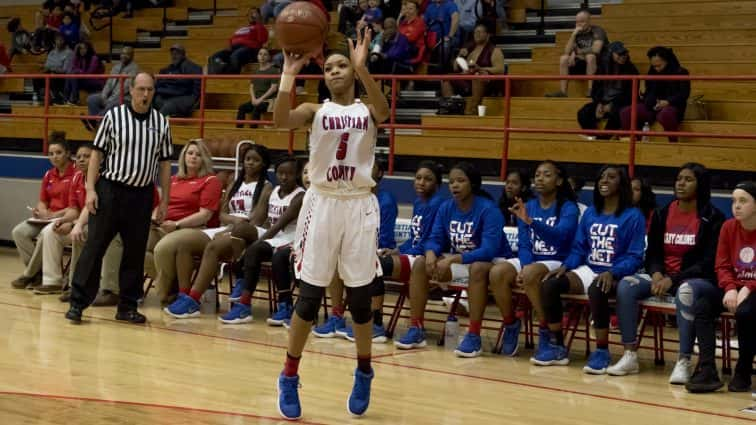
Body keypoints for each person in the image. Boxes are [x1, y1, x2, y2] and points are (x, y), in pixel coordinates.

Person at [272, 27, 390, 419]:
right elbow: (279, 121)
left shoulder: (366, 108)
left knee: (359, 299)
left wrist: (364, 68)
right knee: (309, 295)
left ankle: (364, 369)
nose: (335, 72)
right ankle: (289, 374)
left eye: (342, 66)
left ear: (352, 72)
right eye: (330, 68)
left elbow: (385, 112)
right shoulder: (314, 110)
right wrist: (288, 75)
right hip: (322, 204)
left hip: (358, 204)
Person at [65, 72, 173, 325]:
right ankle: (78, 303)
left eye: (150, 90)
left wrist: (165, 199)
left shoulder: (161, 122)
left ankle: (127, 306)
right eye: (141, 89)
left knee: (134, 253)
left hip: (142, 194)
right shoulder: (114, 116)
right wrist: (91, 189)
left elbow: (165, 163)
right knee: (95, 247)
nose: (145, 94)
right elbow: (96, 155)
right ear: (132, 90)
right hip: (111, 190)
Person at [607, 163, 724, 380]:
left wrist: (673, 279)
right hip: (663, 277)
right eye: (679, 178)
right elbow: (652, 253)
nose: (681, 183)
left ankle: (684, 360)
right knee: (627, 285)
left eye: (688, 179)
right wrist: (657, 274)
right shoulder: (663, 213)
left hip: (696, 279)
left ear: (701, 185)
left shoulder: (713, 217)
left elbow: (708, 262)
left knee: (686, 291)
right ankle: (630, 354)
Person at [534, 165, 645, 374]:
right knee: (550, 284)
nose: (604, 181)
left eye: (611, 177)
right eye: (601, 177)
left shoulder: (633, 216)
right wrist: (566, 266)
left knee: (597, 288)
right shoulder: (591, 213)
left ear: (621, 184)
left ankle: (602, 350)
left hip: (618, 273)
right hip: (589, 269)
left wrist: (613, 272)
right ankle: (558, 345)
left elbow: (635, 256)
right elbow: (579, 247)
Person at [394, 162, 511, 357]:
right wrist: (430, 252)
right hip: (464, 262)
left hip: (495, 262)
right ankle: (416, 329)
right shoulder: (447, 207)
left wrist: (453, 259)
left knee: (478, 268)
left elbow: (489, 250)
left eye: (461, 181)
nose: (454, 185)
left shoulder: (489, 209)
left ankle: (474, 335)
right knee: (422, 263)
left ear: (472, 184)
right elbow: (435, 237)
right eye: (452, 181)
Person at [161, 144, 271, 315]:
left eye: (256, 160)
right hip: (229, 226)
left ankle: (194, 300)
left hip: (251, 233)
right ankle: (183, 295)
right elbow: (222, 215)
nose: (250, 163)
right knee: (183, 244)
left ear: (263, 164)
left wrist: (234, 224)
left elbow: (256, 219)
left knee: (213, 247)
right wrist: (234, 220)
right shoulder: (235, 182)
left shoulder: (266, 186)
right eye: (248, 159)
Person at [488, 160, 579, 356]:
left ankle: (546, 329)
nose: (540, 178)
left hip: (558, 258)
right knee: (497, 273)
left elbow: (560, 237)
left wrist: (531, 222)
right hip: (532, 259)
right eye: (537, 174)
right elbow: (524, 243)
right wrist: (525, 265)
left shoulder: (568, 208)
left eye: (547, 174)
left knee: (530, 274)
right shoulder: (528, 205)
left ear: (559, 180)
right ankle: (511, 323)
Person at [312, 159, 398, 341]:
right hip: (355, 247)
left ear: (380, 173)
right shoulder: (352, 198)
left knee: (368, 262)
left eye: (370, 167)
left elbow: (384, 236)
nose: (364, 170)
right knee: (335, 260)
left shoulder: (386, 200)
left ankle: (375, 322)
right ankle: (337, 316)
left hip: (378, 248)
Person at [220, 157, 306, 323]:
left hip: (291, 238)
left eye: (289, 174)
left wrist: (257, 242)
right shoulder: (274, 192)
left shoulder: (300, 196)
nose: (284, 177)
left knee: (257, 251)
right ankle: (243, 297)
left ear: (296, 175)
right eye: (281, 173)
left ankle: (283, 305)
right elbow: (267, 221)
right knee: (242, 233)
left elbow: (279, 225)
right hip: (274, 236)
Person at [36, 144, 124, 304]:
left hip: (109, 223)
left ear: (99, 160)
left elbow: (100, 211)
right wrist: (63, 220)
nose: (82, 159)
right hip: (85, 222)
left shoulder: (106, 178)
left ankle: (107, 289)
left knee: (81, 233)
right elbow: (75, 209)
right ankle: (58, 282)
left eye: (87, 156)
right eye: (80, 156)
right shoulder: (77, 178)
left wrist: (75, 224)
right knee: (51, 231)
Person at [145, 140, 223, 301]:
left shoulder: (211, 181)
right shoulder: (173, 179)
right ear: (183, 156)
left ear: (205, 159)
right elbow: (160, 205)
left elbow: (205, 215)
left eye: (198, 154)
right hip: (164, 226)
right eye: (190, 153)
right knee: (135, 244)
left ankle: (165, 292)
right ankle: (170, 286)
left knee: (162, 248)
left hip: (193, 229)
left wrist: (177, 224)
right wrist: (154, 218)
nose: (193, 157)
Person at [11, 131, 76, 289]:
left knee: (45, 235)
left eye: (59, 153)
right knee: (18, 232)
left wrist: (53, 215)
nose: (54, 157)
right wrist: (41, 211)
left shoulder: (77, 174)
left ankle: (29, 274)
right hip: (47, 218)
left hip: (64, 218)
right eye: (51, 154)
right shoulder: (49, 174)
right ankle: (38, 273)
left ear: (68, 153)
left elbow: (76, 207)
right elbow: (42, 200)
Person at [713, 181, 755, 393]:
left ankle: (743, 370)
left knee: (746, 312)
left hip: (753, 289)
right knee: (701, 302)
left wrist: (748, 288)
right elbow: (721, 264)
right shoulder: (728, 227)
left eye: (743, 201)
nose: (736, 206)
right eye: (734, 201)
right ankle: (706, 367)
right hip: (734, 286)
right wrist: (729, 287)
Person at [265, 161, 312, 327]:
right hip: (299, 244)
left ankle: (306, 309)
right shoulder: (305, 197)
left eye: (312, 172)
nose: (308, 176)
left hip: (318, 246)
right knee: (281, 256)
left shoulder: (311, 198)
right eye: (305, 172)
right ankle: (286, 303)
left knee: (298, 258)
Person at [621, 46, 690, 142]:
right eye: (654, 66)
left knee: (666, 114)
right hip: (653, 106)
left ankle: (673, 142)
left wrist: (668, 102)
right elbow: (649, 91)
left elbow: (684, 94)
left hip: (673, 106)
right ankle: (634, 142)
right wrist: (649, 99)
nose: (656, 69)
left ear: (667, 61)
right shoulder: (652, 72)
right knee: (627, 112)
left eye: (659, 65)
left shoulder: (681, 72)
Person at [441, 24, 505, 115]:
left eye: (479, 32)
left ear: (487, 35)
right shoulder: (470, 49)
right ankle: (452, 107)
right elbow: (455, 68)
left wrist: (480, 68)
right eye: (475, 32)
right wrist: (460, 56)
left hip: (486, 82)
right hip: (468, 81)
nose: (476, 34)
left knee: (477, 76)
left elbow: (500, 69)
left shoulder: (495, 50)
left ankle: (473, 110)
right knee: (446, 78)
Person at [578, 41, 638, 137]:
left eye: (625, 53)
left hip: (620, 103)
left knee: (617, 112)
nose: (623, 56)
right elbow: (595, 89)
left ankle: (604, 139)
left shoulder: (631, 69)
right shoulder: (602, 68)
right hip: (603, 101)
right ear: (611, 54)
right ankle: (591, 134)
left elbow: (630, 95)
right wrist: (599, 104)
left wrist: (611, 105)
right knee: (584, 111)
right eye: (619, 54)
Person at [546, 10, 607, 98]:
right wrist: (573, 35)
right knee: (564, 58)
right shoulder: (577, 33)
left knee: (590, 56)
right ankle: (563, 92)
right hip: (583, 63)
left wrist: (577, 52)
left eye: (582, 21)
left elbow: (596, 49)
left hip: (599, 63)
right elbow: (567, 51)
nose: (579, 24)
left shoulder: (598, 30)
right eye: (577, 22)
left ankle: (591, 90)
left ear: (589, 21)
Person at [208, 8, 268, 75]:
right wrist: (229, 46)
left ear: (259, 15)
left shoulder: (260, 27)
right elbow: (232, 39)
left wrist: (259, 23)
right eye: (249, 13)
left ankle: (229, 77)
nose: (251, 15)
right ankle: (219, 75)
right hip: (233, 49)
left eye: (254, 13)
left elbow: (262, 40)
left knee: (235, 56)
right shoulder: (242, 28)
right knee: (214, 57)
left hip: (250, 50)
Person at [86, 46, 139, 120]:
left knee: (113, 104)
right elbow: (109, 83)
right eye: (122, 53)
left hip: (124, 98)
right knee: (91, 99)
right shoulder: (116, 67)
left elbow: (124, 89)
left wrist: (110, 99)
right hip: (110, 96)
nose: (124, 56)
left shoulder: (134, 69)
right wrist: (104, 95)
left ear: (132, 56)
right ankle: (98, 123)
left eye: (127, 54)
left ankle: (95, 120)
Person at [153, 44, 202, 117]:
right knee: (152, 99)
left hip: (187, 97)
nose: (174, 56)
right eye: (172, 54)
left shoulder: (192, 68)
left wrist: (194, 99)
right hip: (169, 96)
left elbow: (194, 89)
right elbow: (160, 83)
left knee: (169, 105)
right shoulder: (168, 69)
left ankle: (155, 125)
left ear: (183, 55)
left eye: (177, 54)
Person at [236, 48, 279, 128]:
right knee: (242, 107)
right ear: (257, 56)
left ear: (269, 57)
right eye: (260, 54)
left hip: (267, 101)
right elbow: (251, 86)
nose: (262, 56)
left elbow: (273, 88)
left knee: (256, 109)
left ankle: (253, 132)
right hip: (256, 99)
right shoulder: (256, 71)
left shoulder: (273, 71)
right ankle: (239, 130)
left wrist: (260, 99)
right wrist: (253, 99)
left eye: (265, 54)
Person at [33, 33, 73, 104]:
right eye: (57, 40)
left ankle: (57, 99)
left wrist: (52, 69)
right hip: (49, 73)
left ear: (64, 41)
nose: (59, 42)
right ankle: (39, 98)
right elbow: (46, 65)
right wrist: (45, 68)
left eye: (61, 40)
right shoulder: (52, 52)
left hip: (62, 77)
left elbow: (65, 70)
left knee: (52, 76)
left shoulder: (69, 53)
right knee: (36, 77)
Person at [63, 41, 105, 105]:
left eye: (84, 48)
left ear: (89, 49)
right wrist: (77, 71)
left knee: (73, 76)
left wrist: (78, 71)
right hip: (83, 79)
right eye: (80, 48)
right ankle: (67, 100)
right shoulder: (78, 58)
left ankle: (72, 99)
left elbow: (89, 73)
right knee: (70, 76)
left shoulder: (94, 58)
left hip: (95, 80)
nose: (82, 50)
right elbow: (73, 67)